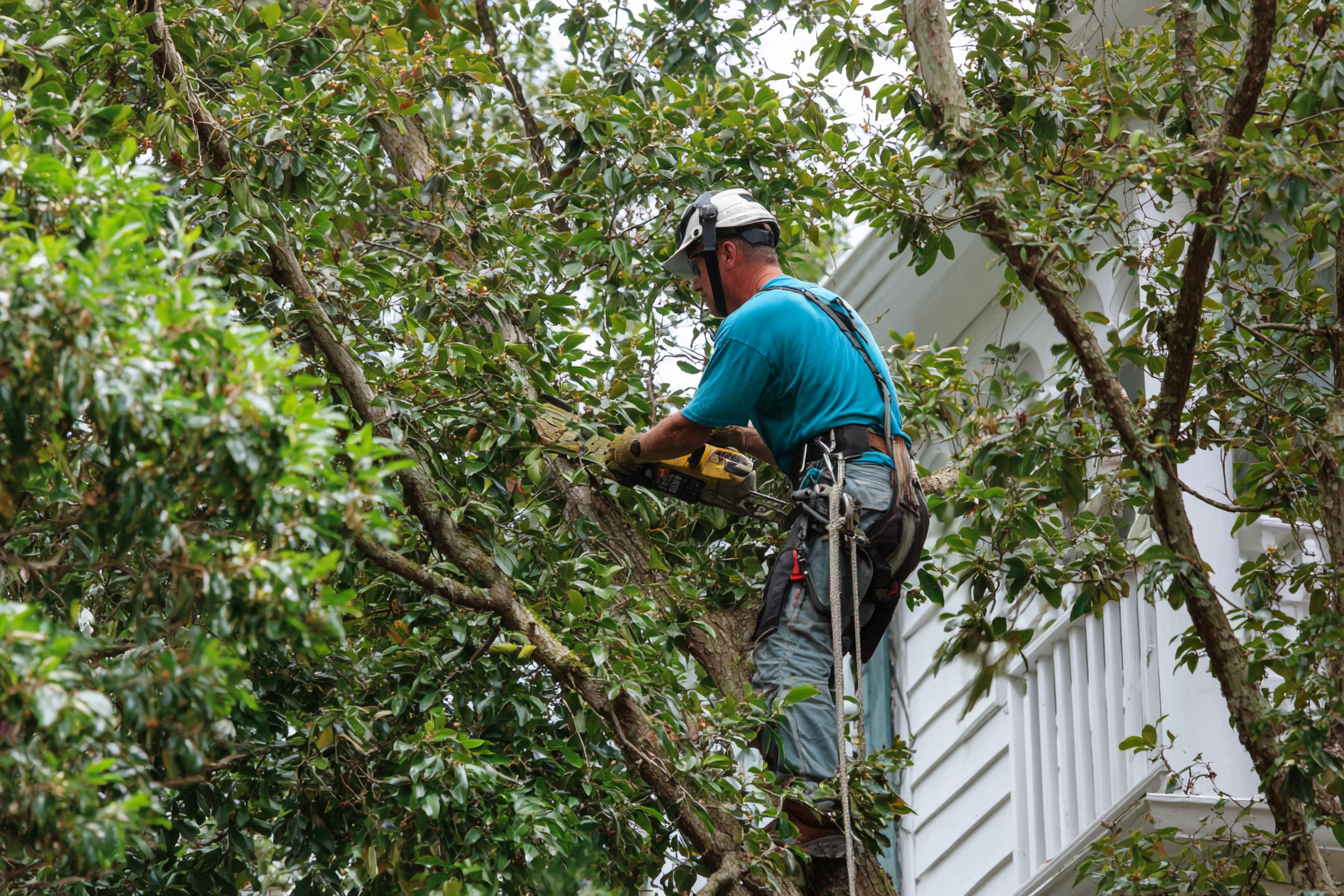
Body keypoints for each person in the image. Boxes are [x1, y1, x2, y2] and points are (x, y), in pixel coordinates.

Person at [604, 188, 928, 856]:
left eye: (696, 269)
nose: (697, 286)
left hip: (847, 495)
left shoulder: (755, 319)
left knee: (786, 649)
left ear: (725, 254)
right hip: (892, 501)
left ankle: (814, 824)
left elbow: (687, 425)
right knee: (812, 649)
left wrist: (632, 452)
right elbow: (799, 432)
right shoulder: (824, 306)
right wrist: (736, 437)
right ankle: (824, 805)